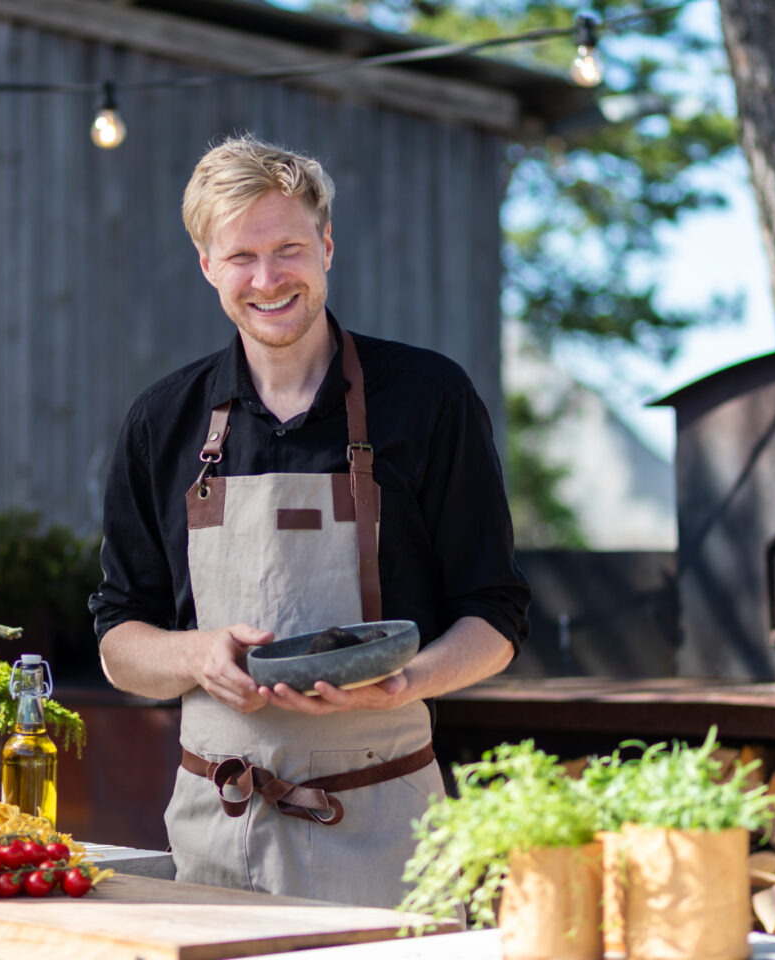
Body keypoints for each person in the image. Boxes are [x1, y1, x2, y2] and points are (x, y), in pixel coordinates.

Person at [88, 133, 530, 908]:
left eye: (288, 247)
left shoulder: (428, 399)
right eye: (240, 258)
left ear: (326, 246)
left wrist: (405, 683)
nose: (267, 279)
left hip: (388, 833)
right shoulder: (164, 421)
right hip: (216, 839)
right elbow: (121, 643)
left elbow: (494, 617)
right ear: (206, 267)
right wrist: (197, 656)